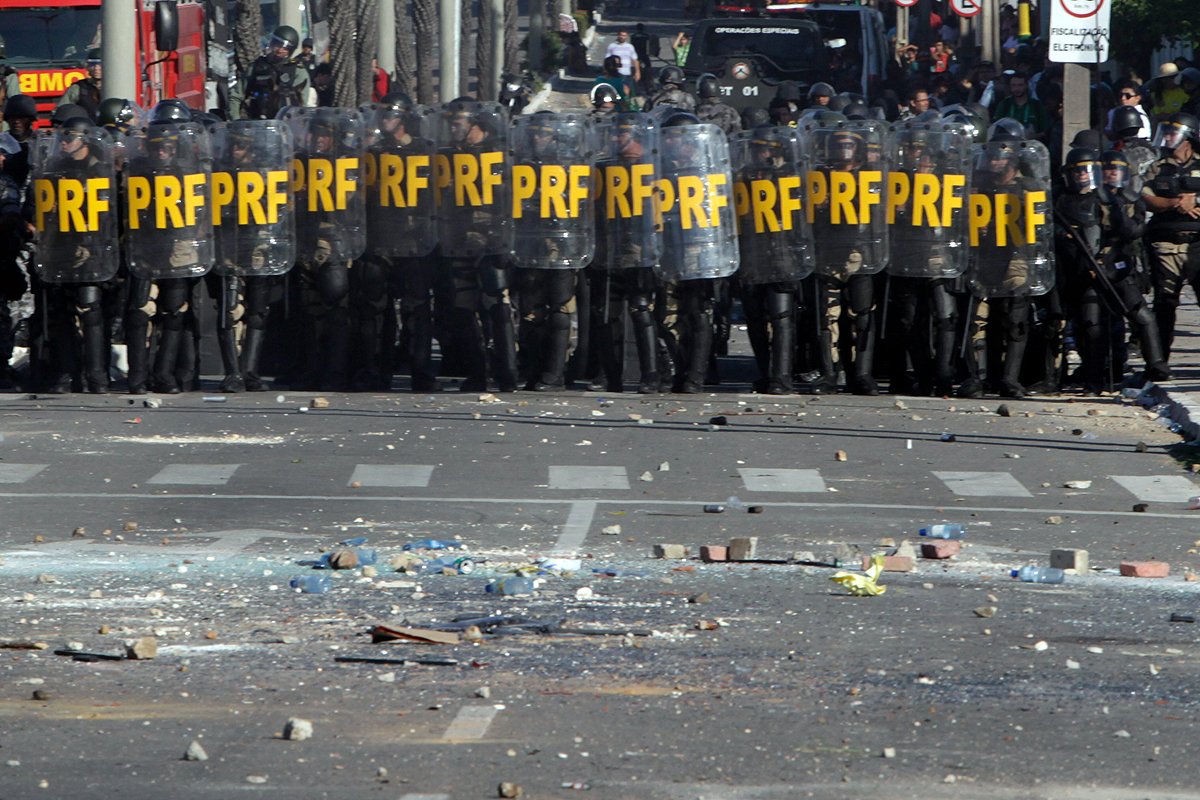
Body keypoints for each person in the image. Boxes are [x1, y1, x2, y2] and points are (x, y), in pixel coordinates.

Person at [1055, 147, 1169, 392]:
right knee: (1092, 325)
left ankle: (1156, 365)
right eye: (1105, 170)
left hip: (1118, 267)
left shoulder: (1123, 199)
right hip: (1087, 270)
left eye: (1114, 170)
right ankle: (1094, 379)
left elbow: (1131, 232)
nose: (1110, 175)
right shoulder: (1073, 199)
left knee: (1141, 315)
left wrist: (1114, 209)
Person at [1142, 113, 1200, 363]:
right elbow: (1146, 198)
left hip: (1198, 243)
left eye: (1172, 133)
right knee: (1164, 305)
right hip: (1166, 244)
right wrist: (1176, 202)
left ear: (1188, 137)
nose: (1166, 138)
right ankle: (1158, 363)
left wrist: (1195, 201)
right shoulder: (1156, 167)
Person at [230, 26, 313, 119]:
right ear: (271, 43)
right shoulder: (256, 67)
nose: (280, 50)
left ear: (291, 50)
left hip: (286, 127)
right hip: (256, 126)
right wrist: (236, 121)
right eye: (277, 44)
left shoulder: (298, 71)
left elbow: (301, 107)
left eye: (285, 47)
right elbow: (235, 96)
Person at [993, 73, 1048, 139]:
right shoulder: (1004, 104)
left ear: (1027, 85)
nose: (1016, 89)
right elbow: (996, 128)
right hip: (1008, 144)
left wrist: (1035, 135)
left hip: (1030, 145)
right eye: (1013, 85)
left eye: (1020, 85)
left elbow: (1045, 131)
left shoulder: (1037, 105)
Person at [56, 49, 102, 119]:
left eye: (100, 64)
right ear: (88, 67)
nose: (96, 68)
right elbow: (60, 112)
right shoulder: (78, 88)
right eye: (92, 64)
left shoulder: (119, 87)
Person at [604, 29, 641, 99]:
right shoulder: (611, 46)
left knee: (626, 92)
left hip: (626, 74)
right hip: (615, 74)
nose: (622, 37)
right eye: (621, 35)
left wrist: (637, 72)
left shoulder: (630, 47)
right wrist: (605, 71)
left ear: (627, 36)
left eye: (624, 35)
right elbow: (607, 60)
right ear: (618, 35)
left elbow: (635, 60)